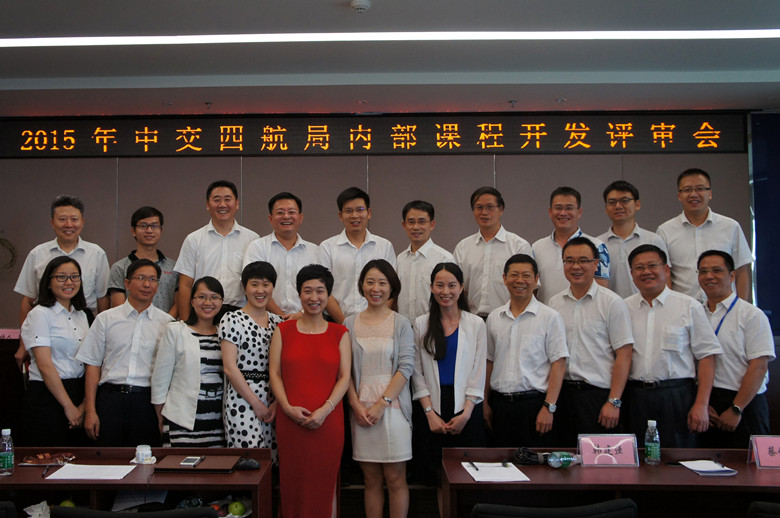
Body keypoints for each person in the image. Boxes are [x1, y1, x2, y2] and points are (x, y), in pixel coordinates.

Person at [269, 265, 351, 518]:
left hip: (329, 421)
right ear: (299, 293)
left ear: (328, 295)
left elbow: (345, 377)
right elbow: (275, 374)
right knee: (292, 482)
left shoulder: (340, 332)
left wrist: (325, 410)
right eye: (307, 291)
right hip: (290, 420)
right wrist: (286, 408)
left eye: (320, 291)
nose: (314, 297)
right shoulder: (283, 330)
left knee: (325, 484)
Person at [624, 244, 722, 448]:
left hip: (677, 395)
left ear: (666, 269)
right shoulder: (623, 308)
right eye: (639, 268)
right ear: (631, 274)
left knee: (678, 456)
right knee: (636, 456)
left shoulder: (689, 306)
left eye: (653, 265)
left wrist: (701, 404)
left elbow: (707, 358)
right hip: (635, 396)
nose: (646, 272)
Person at [76, 259, 175, 446]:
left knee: (145, 459)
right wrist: (90, 410)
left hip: (147, 403)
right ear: (127, 283)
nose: (147, 284)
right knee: (108, 458)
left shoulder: (168, 323)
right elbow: (92, 367)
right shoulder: (105, 319)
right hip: (110, 399)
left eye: (152, 279)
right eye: (141, 278)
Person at [344, 260, 414, 518]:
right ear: (362, 285)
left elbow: (406, 367)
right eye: (370, 282)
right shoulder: (349, 323)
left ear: (392, 287)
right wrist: (355, 404)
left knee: (395, 478)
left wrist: (382, 404)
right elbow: (344, 371)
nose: (376, 288)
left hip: (393, 409)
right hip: (361, 411)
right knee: (370, 479)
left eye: (382, 283)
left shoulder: (401, 322)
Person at [548, 237, 633, 446]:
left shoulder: (612, 302)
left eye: (583, 260)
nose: (575, 266)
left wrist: (614, 401)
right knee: (563, 456)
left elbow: (624, 354)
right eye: (569, 261)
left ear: (596, 264)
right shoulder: (554, 303)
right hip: (562, 395)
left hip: (597, 396)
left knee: (597, 460)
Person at [412, 262, 487, 486]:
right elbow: (417, 372)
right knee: (435, 476)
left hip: (467, 407)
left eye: (452, 285)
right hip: (431, 407)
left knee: (469, 475)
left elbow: (478, 371)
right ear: (431, 287)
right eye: (440, 285)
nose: (446, 291)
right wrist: (430, 413)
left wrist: (466, 414)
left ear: (461, 287)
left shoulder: (475, 324)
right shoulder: (421, 323)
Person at [14, 195, 110, 367]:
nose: (69, 224)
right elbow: (28, 300)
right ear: (52, 222)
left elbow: (102, 299)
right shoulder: (38, 254)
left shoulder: (96, 254)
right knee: (46, 371)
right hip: (44, 325)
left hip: (84, 324)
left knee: (83, 375)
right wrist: (23, 343)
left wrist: (103, 340)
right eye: (62, 219)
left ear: (82, 222)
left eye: (74, 219)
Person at [484, 254, 568, 448]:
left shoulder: (550, 317)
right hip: (500, 406)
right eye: (514, 275)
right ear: (504, 278)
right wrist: (485, 403)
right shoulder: (494, 317)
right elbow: (489, 361)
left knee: (535, 464)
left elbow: (559, 364)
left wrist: (549, 407)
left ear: (536, 279)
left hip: (535, 405)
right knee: (500, 461)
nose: (520, 280)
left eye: (526, 275)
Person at [697, 250, 775, 449]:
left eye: (716, 270)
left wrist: (736, 409)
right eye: (703, 271)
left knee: (750, 464)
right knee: (705, 463)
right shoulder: (695, 313)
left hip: (745, 403)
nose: (709, 276)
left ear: (732, 276)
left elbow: (759, 367)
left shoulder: (751, 315)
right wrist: (702, 403)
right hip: (707, 405)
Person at [20, 256, 90, 447]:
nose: (69, 282)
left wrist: (84, 405)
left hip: (78, 391)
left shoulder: (82, 315)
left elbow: (90, 360)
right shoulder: (40, 314)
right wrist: (68, 407)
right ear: (48, 282)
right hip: (48, 395)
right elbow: (45, 365)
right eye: (61, 277)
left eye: (74, 276)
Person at [657, 168, 753, 302]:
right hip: (684, 308)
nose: (693, 194)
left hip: (724, 307)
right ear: (679, 196)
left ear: (710, 194)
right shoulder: (665, 230)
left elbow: (742, 271)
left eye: (700, 189)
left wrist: (740, 308)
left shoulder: (731, 227)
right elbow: (665, 274)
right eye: (687, 190)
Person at [151, 276, 226, 447]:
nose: (208, 302)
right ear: (192, 301)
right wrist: (161, 416)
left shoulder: (225, 334)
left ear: (221, 302)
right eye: (201, 297)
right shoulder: (176, 330)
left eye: (214, 297)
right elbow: (160, 379)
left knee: (216, 463)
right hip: (181, 419)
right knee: (181, 464)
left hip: (218, 422)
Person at [220, 262, 283, 454]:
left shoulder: (279, 322)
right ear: (244, 287)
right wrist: (256, 403)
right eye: (254, 284)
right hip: (243, 400)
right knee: (250, 460)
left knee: (273, 460)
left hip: (275, 400)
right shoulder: (232, 319)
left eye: (266, 284)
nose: (260, 290)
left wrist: (276, 403)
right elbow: (230, 368)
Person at [174, 180, 259, 320]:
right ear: (208, 205)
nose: (222, 205)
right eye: (216, 200)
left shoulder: (252, 239)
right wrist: (185, 323)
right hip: (202, 314)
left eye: (227, 199)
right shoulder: (193, 239)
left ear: (237, 204)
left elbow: (258, 284)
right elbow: (185, 285)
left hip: (240, 315)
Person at [319, 187, 396, 324]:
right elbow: (322, 288)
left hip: (377, 322)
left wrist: (377, 320)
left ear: (369, 213)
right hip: (336, 322)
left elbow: (391, 287)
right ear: (340, 215)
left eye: (360, 210)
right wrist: (345, 324)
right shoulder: (327, 247)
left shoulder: (384, 246)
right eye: (348, 211)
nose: (354, 215)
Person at [453, 186, 531, 318]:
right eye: (479, 207)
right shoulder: (463, 247)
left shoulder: (519, 246)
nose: (484, 212)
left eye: (490, 207)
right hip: (472, 319)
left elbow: (529, 288)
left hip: (508, 318)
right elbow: (455, 287)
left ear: (501, 209)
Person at [243, 192, 319, 320]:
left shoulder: (314, 251)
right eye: (280, 212)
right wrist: (282, 318)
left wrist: (300, 315)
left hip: (306, 319)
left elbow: (320, 289)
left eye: (291, 212)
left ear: (300, 218)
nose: (286, 216)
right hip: (265, 320)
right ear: (270, 218)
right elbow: (253, 285)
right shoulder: (258, 247)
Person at [532, 186, 610, 304]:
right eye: (558, 208)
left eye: (569, 208)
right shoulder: (536, 247)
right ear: (550, 212)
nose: (563, 213)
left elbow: (602, 292)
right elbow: (532, 290)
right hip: (548, 314)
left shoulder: (598, 247)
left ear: (579, 212)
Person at [597, 180, 668, 298]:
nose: (618, 206)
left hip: (646, 306)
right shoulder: (598, 244)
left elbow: (665, 279)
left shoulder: (653, 240)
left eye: (624, 200)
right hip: (610, 308)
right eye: (612, 202)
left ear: (637, 204)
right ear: (606, 208)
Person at [108, 206, 178, 315]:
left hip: (166, 324)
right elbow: (119, 308)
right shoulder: (120, 267)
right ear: (133, 231)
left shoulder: (175, 267)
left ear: (161, 230)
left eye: (154, 226)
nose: (149, 230)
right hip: (129, 324)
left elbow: (178, 304)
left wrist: (165, 323)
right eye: (143, 226)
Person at [397, 200, 454, 324]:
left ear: (432, 224)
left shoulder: (444, 259)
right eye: (411, 222)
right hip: (404, 327)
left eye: (422, 222)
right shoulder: (400, 259)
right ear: (404, 225)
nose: (416, 227)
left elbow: (452, 298)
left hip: (434, 326)